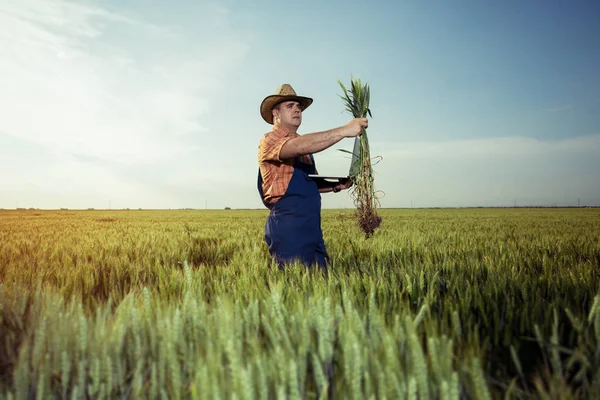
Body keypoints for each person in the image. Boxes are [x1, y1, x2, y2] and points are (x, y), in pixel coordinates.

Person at [257, 83, 368, 271]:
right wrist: (344, 130)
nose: (297, 110)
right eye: (290, 106)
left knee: (322, 285)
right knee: (296, 288)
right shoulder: (270, 140)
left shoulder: (303, 145)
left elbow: (309, 181)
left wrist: (336, 185)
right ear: (276, 113)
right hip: (289, 226)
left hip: (312, 227)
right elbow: (299, 146)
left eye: (298, 106)